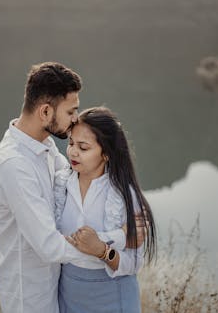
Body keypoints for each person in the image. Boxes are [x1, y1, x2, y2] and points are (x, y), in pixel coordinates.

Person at [0, 62, 146, 313]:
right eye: (71, 112)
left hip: (58, 289)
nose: (74, 120)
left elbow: (86, 177)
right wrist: (115, 240)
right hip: (28, 294)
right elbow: (50, 245)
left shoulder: (48, 149)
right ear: (46, 112)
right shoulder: (14, 165)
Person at [54, 106, 157, 313]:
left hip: (114, 297)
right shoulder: (59, 184)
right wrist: (119, 236)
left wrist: (103, 250)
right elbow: (50, 240)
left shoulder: (124, 195)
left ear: (106, 154)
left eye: (83, 148)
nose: (73, 151)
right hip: (69, 294)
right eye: (71, 143)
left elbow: (134, 262)